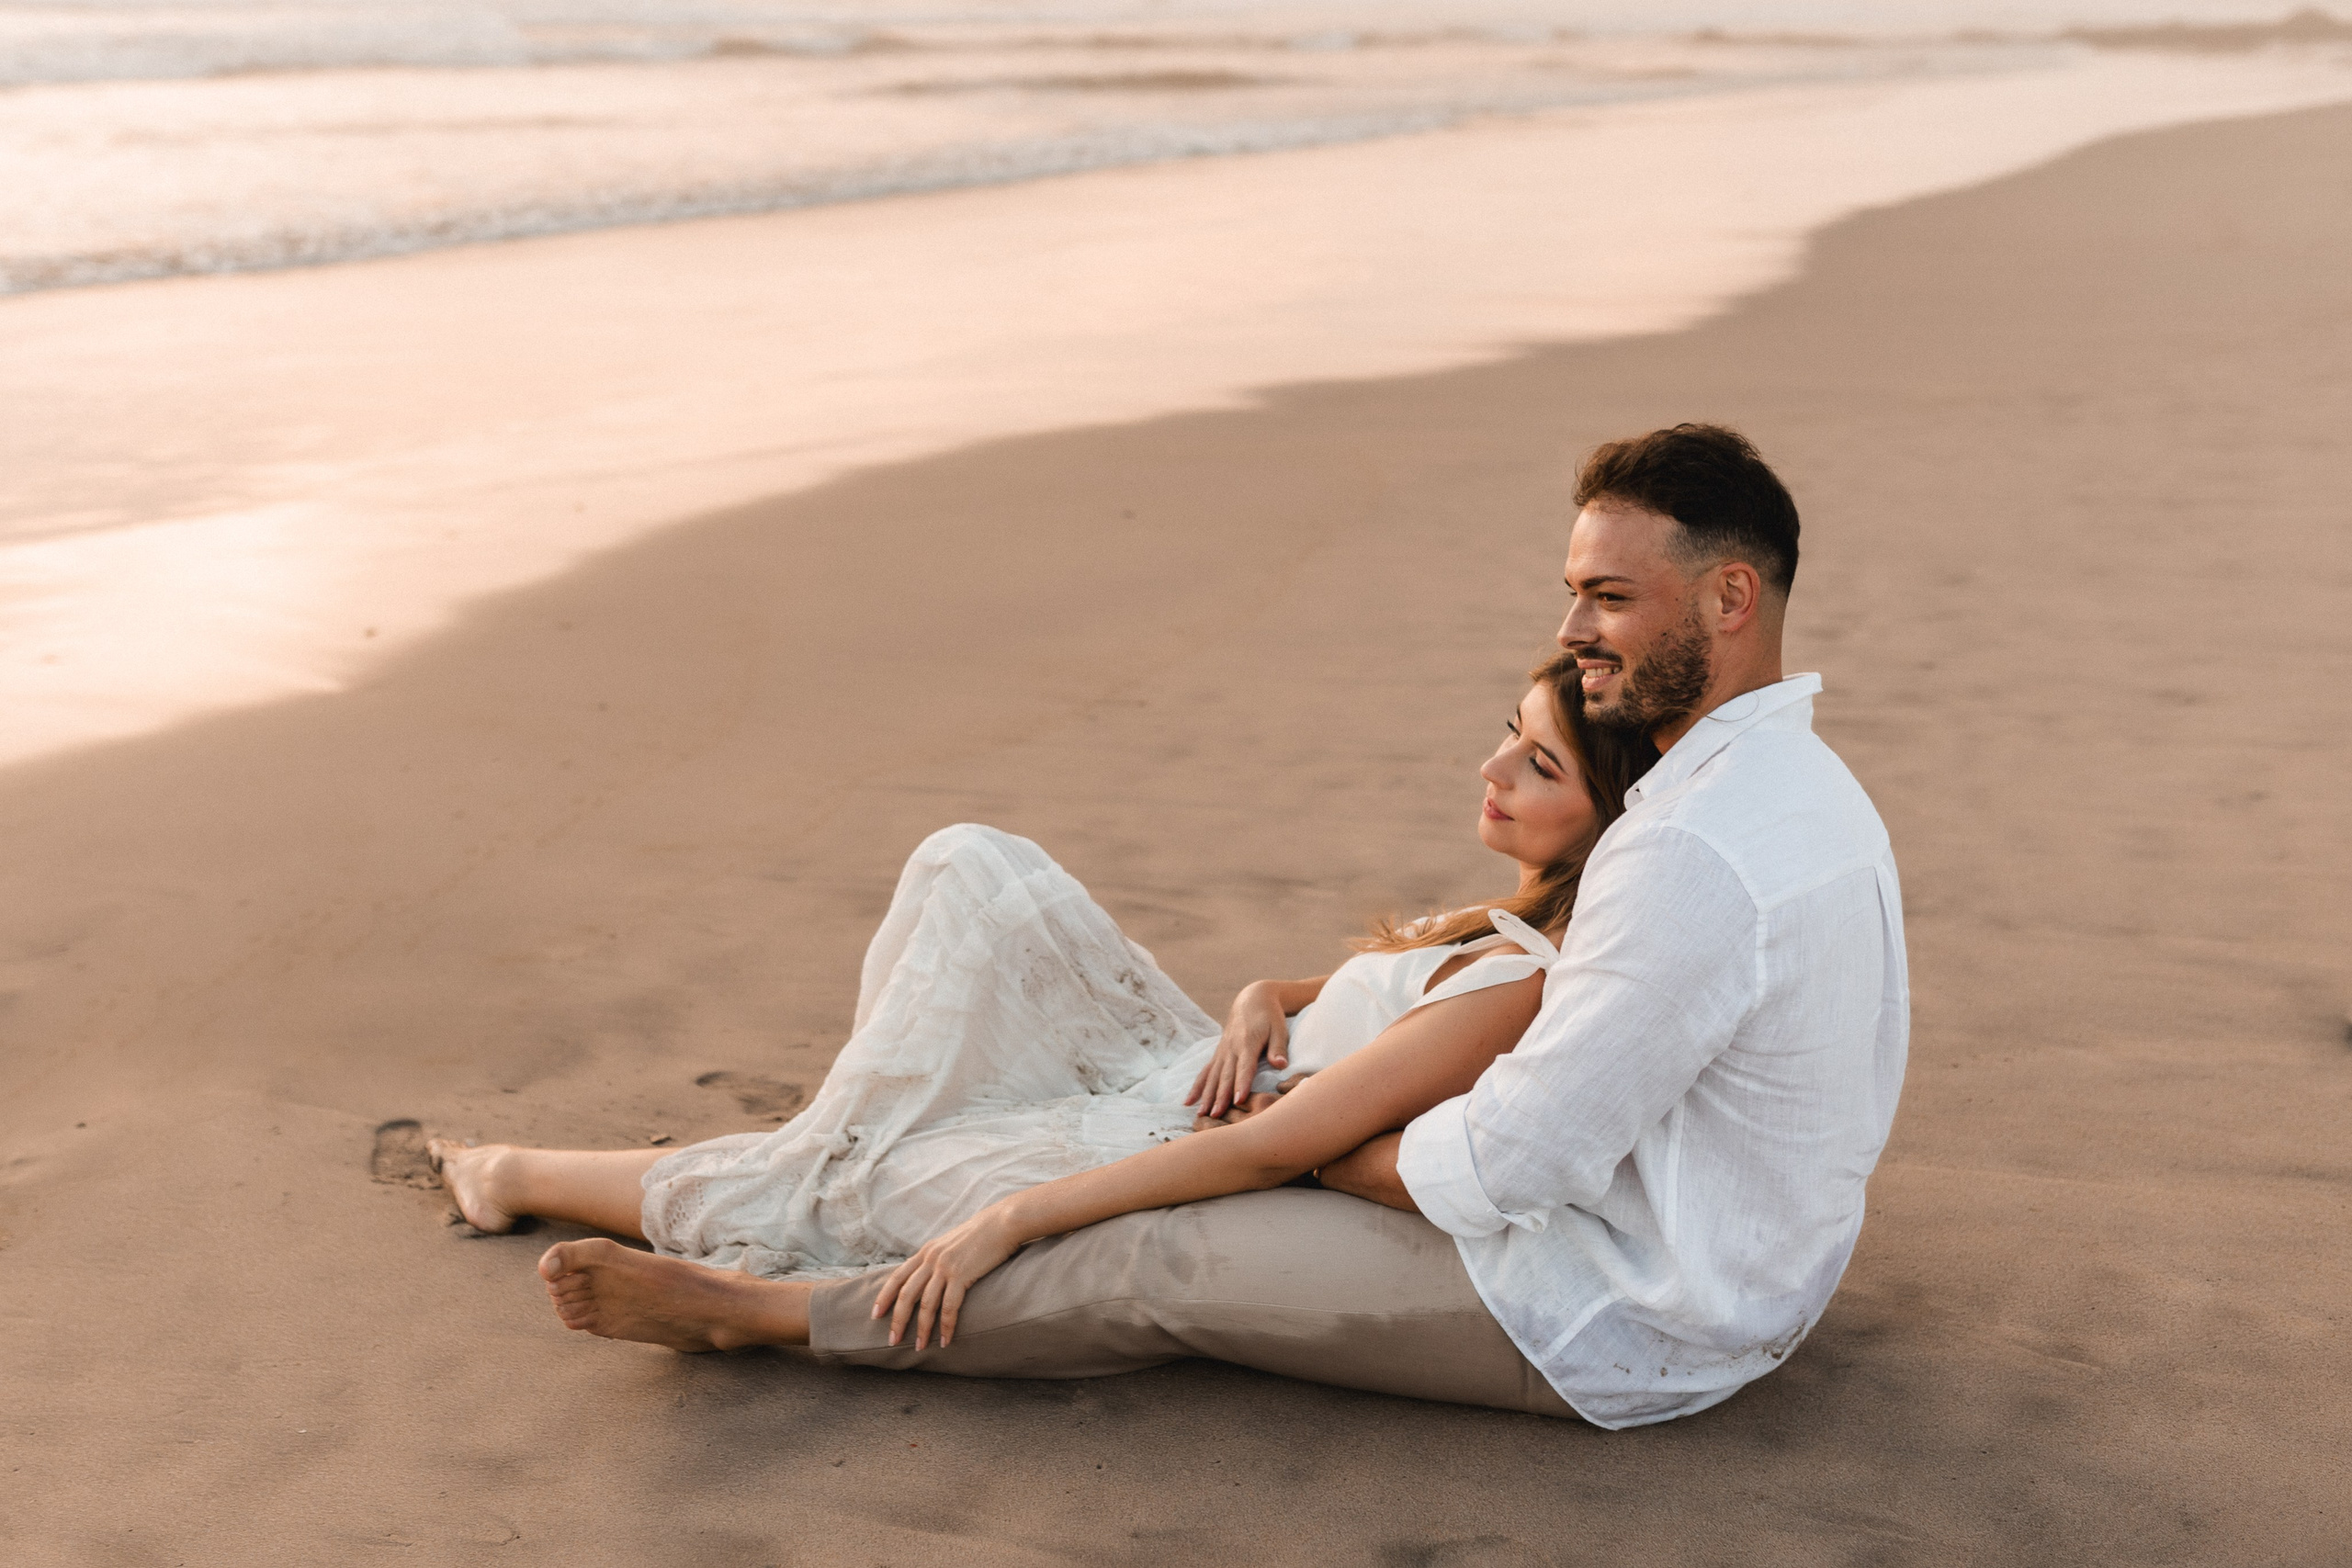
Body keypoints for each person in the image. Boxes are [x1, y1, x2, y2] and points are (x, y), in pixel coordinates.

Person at [504, 422, 1909, 1430]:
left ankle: (767, 1316)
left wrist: (1308, 1153)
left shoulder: (1688, 850)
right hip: (1739, 1265)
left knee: (1157, 1259)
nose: (1577, 627)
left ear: (1731, 598)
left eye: (1609, 597)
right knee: (1141, 1160)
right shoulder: (1806, 791)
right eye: (1573, 592)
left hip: (1631, 1312)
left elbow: (1504, 1164)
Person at [433, 649, 1653, 1413]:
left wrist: (1013, 1218)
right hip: (1185, 1071)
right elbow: (1326, 993)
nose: (1494, 767)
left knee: (883, 1177)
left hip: (1183, 1143)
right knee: (974, 865)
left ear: (1603, 827)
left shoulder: (1519, 985)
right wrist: (1255, 1001)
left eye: (1539, 766)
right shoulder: (1492, 928)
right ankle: (535, 1174)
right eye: (1510, 729)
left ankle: (520, 1178)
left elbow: (1275, 1148)